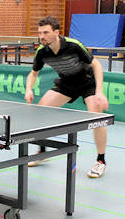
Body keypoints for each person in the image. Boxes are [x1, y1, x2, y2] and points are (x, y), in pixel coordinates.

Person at [24, 16, 110, 178]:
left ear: (56, 32)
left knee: (97, 118)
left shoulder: (73, 45)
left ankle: (101, 160)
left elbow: (96, 64)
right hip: (66, 83)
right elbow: (33, 73)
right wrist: (29, 89)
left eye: (45, 32)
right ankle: (43, 151)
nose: (41, 36)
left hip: (87, 83)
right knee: (40, 111)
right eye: (40, 33)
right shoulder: (42, 51)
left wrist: (99, 92)